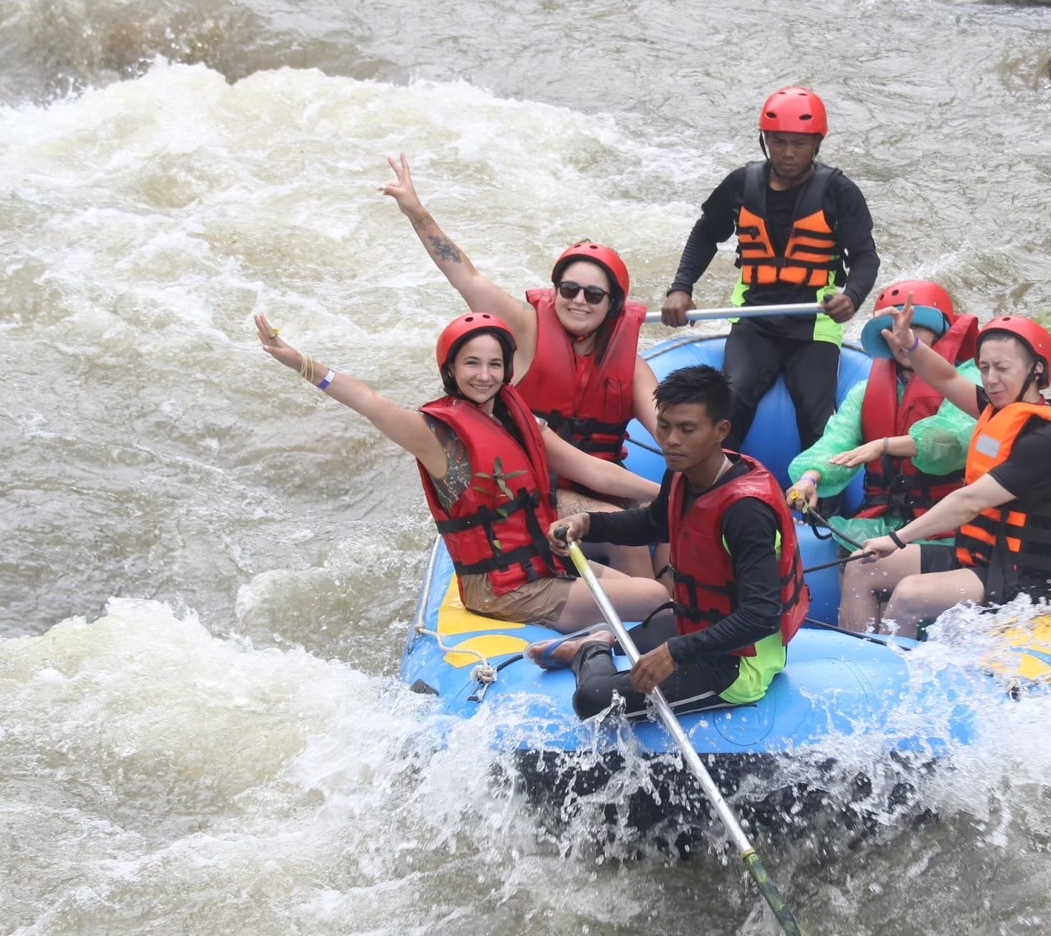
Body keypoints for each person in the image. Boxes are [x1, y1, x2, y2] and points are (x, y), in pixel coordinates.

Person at [254, 311, 669, 631]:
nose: (484, 376)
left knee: (648, 583)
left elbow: (592, 470)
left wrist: (668, 493)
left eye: (494, 364)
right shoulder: (436, 436)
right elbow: (370, 402)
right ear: (451, 369)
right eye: (472, 363)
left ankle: (616, 638)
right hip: (504, 590)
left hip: (545, 563)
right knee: (652, 597)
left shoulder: (518, 419)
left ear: (507, 369)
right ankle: (603, 642)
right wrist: (300, 363)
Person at [381, 154, 659, 577]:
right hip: (534, 488)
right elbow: (466, 277)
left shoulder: (631, 368)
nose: (578, 301)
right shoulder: (527, 332)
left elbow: (671, 433)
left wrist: (700, 486)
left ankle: (673, 596)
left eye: (593, 295)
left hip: (601, 477)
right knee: (628, 529)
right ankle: (649, 610)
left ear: (613, 305)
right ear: (556, 290)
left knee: (668, 516)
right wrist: (417, 213)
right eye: (569, 289)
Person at [538, 366, 809, 720]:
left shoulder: (746, 512)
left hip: (738, 663)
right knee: (633, 644)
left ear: (721, 431)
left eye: (687, 429)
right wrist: (588, 523)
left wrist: (676, 652)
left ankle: (588, 651)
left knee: (591, 701)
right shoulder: (682, 472)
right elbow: (653, 523)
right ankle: (600, 643)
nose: (671, 440)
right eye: (664, 426)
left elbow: (762, 615)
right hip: (696, 624)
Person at [839, 309, 1051, 638]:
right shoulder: (996, 409)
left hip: (1024, 581)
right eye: (984, 368)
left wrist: (896, 539)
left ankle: (886, 665)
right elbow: (946, 379)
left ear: (1036, 370)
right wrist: (911, 344)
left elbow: (968, 502)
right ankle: (856, 657)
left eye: (1002, 368)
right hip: (980, 558)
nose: (990, 379)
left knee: (909, 595)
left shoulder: (1050, 441)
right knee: (862, 566)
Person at [660, 87, 880, 451]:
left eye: (799, 143)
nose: (788, 153)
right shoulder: (740, 185)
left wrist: (852, 296)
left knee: (818, 420)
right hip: (755, 319)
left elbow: (865, 256)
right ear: (765, 141)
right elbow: (705, 234)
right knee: (730, 407)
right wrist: (681, 288)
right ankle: (717, 484)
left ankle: (817, 488)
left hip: (814, 323)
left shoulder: (839, 192)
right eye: (778, 142)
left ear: (817, 143)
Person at [784, 280, 982, 549]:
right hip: (882, 517)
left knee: (870, 563)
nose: (902, 337)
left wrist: (884, 446)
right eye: (893, 330)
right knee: (851, 556)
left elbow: (952, 440)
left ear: (938, 332)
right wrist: (810, 478)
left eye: (914, 327)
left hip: (946, 521)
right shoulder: (865, 392)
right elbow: (836, 442)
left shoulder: (968, 381)